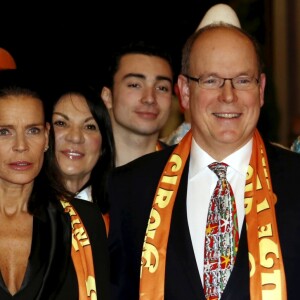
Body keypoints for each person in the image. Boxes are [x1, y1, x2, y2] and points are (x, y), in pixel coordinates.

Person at [108, 15, 300, 300]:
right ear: (185, 91)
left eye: (242, 80)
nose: (228, 96)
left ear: (260, 90)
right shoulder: (129, 189)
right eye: (211, 80)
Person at [0, 69, 110, 299]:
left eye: (33, 130)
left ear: (47, 136)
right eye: (4, 132)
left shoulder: (87, 221)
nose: (21, 146)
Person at [101, 40, 174, 167]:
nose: (150, 98)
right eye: (135, 85)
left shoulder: (185, 171)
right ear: (107, 96)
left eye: (162, 88)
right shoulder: (79, 168)